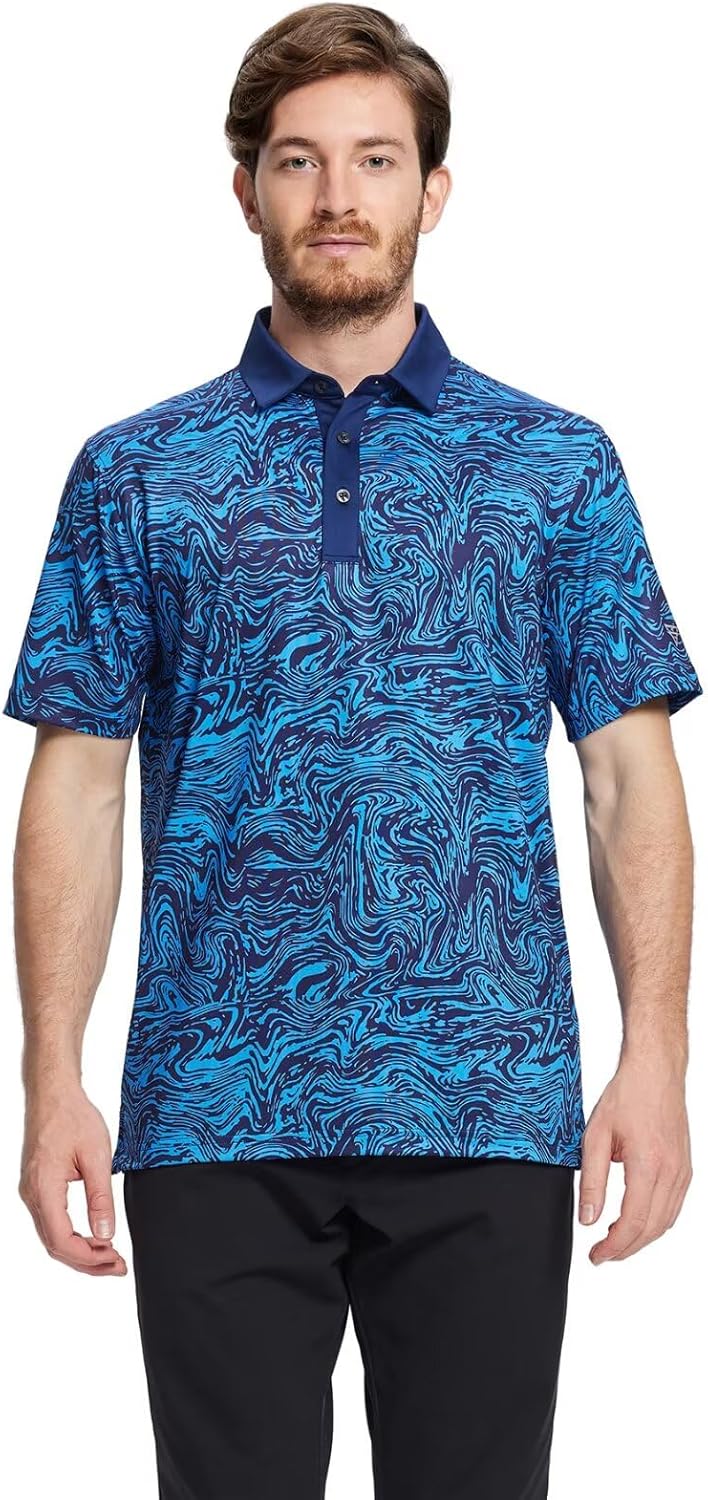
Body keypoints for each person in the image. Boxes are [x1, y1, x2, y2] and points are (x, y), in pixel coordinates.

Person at [5, 6, 702, 1498]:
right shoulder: (136, 470)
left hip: (490, 1102)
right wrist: (49, 1076)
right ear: (246, 190)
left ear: (432, 190)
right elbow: (78, 785)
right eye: (299, 160)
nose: (338, 196)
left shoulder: (556, 464)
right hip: (211, 1106)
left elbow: (629, 776)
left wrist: (656, 1058)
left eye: (376, 159)